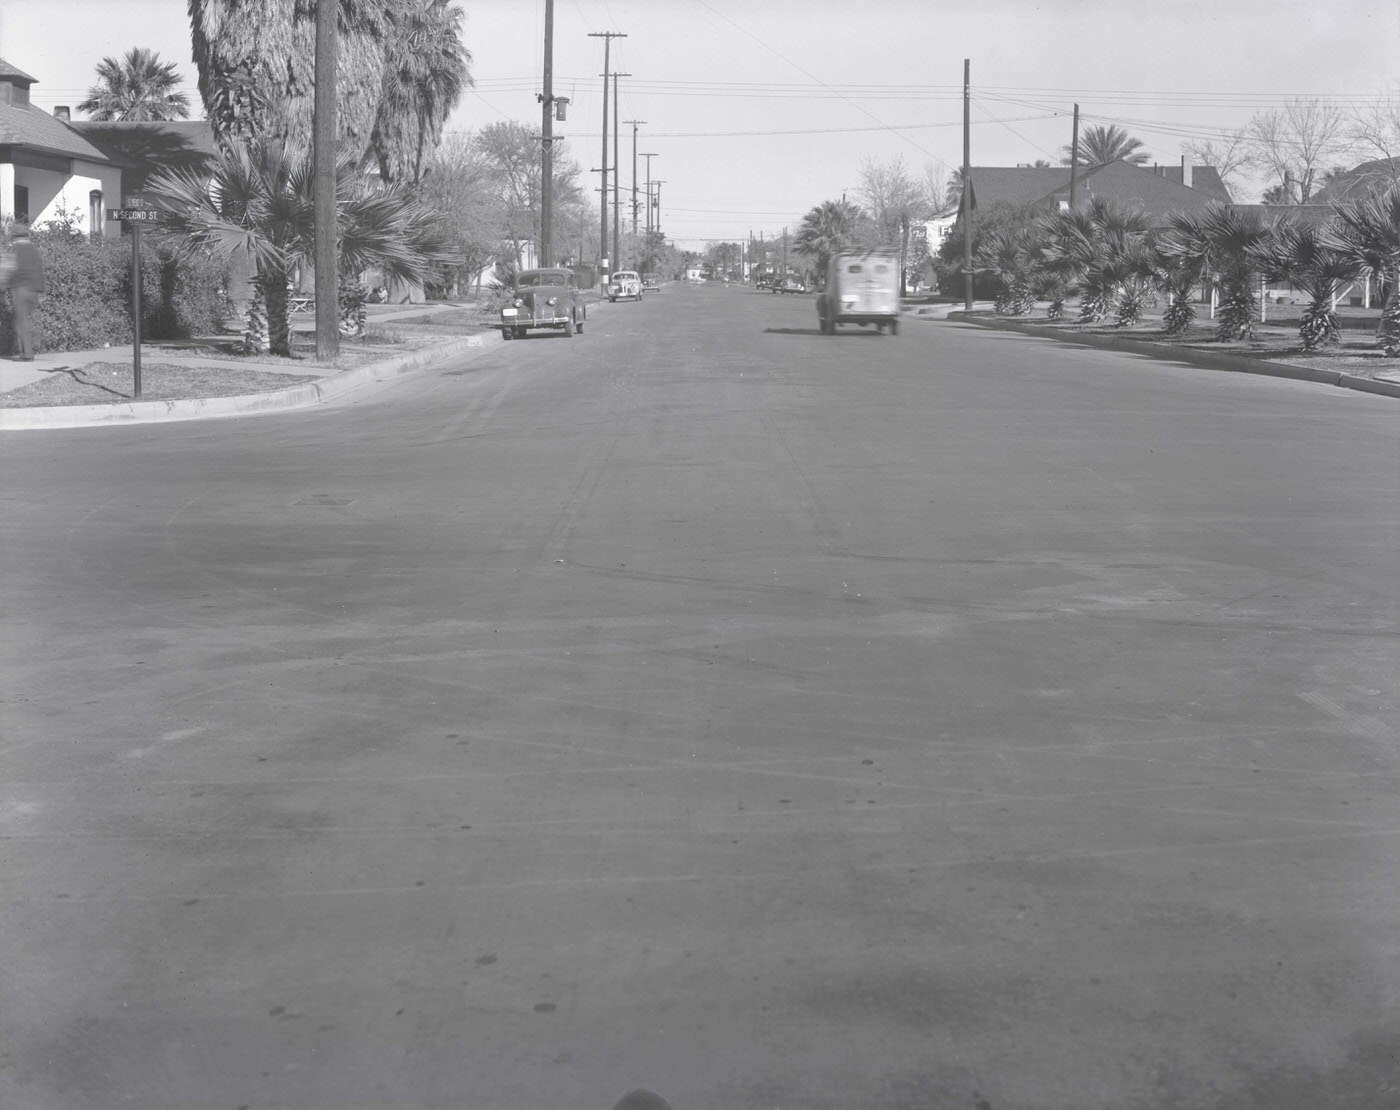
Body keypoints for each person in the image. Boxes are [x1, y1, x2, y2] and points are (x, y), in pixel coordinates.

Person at [5, 223, 45, 360]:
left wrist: (3, 286)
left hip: (20, 289)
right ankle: (26, 352)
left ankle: (27, 354)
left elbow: (8, 269)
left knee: (21, 322)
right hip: (34, 291)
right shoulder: (35, 250)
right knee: (23, 320)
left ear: (15, 237)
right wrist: (40, 292)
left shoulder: (14, 250)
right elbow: (40, 271)